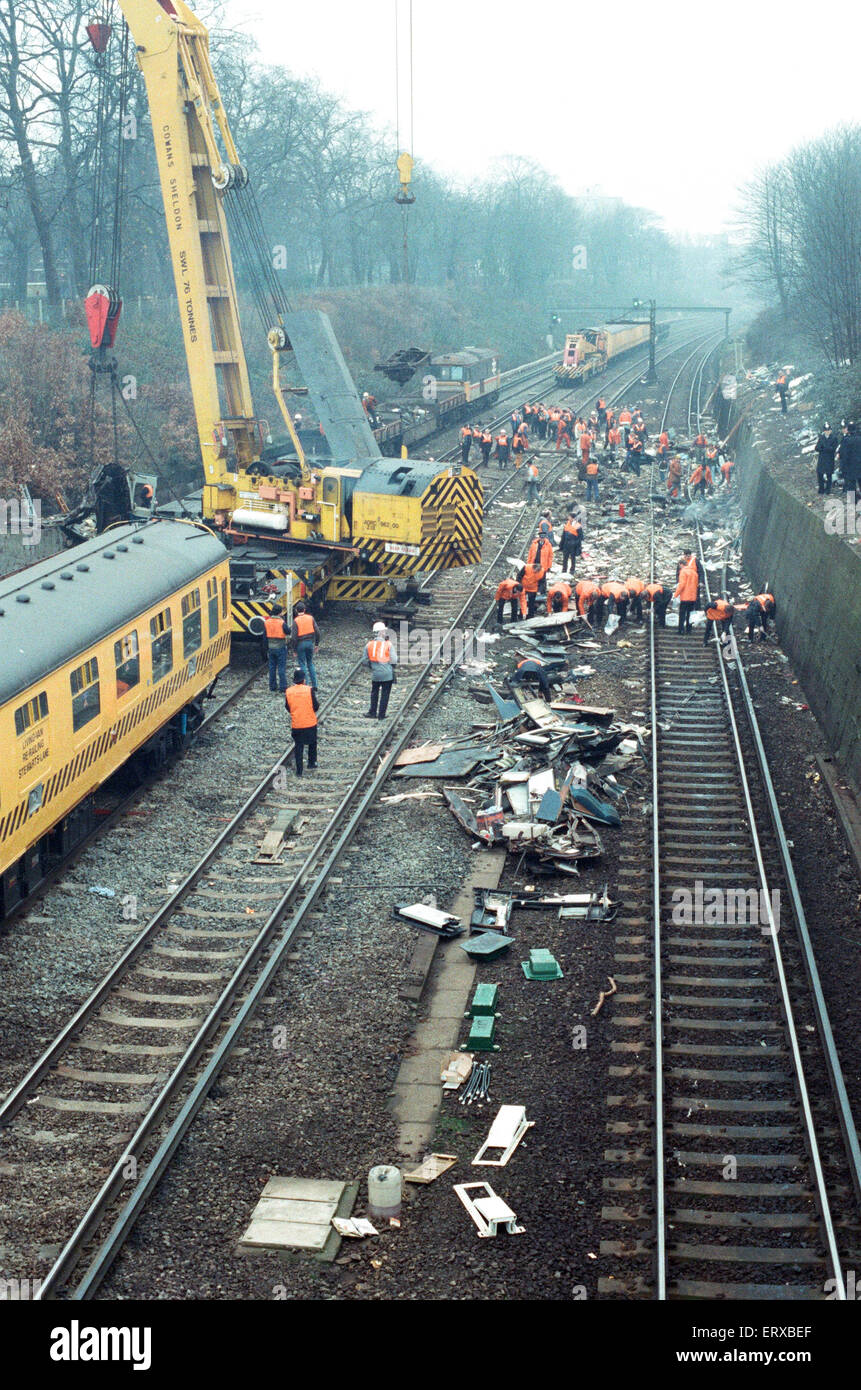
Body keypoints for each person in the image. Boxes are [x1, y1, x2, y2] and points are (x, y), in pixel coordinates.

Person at [284, 669, 319, 777]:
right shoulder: (309, 690)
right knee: (312, 743)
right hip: (310, 722)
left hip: (297, 724)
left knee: (298, 746)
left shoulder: (288, 691)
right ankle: (311, 763)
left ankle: (299, 771)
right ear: (304, 680)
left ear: (294, 680)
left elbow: (287, 707)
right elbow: (316, 706)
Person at [364, 621, 397, 718]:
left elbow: (365, 660)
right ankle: (381, 715)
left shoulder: (368, 645)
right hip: (387, 674)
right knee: (385, 694)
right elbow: (394, 659)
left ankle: (372, 712)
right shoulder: (388, 644)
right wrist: (390, 666)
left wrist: (373, 667)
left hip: (375, 674)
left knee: (374, 693)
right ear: (381, 632)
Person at [291, 601, 320, 690]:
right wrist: (316, 644)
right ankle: (315, 685)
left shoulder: (295, 621)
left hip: (300, 644)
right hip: (310, 643)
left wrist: (294, 650)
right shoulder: (310, 618)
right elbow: (317, 632)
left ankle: (305, 685)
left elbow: (294, 637)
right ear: (304, 609)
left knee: (302, 664)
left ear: (296, 610)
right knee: (310, 663)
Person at [264, 605, 289, 693]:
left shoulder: (267, 622)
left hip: (271, 648)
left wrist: (266, 648)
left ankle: (272, 686)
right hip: (281, 647)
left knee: (272, 667)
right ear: (280, 613)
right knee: (281, 668)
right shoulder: (281, 622)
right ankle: (283, 687)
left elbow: (264, 636)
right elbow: (288, 631)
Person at [673, 554, 699, 634]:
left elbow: (682, 585)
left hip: (685, 597)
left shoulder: (683, 572)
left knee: (682, 614)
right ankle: (689, 630)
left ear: (681, 564)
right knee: (690, 614)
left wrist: (676, 595)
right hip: (693, 597)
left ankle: (681, 630)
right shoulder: (694, 573)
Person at [815, 424, 838, 495]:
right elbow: (817, 448)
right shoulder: (821, 438)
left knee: (829, 474)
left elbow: (833, 448)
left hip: (829, 459)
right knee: (820, 474)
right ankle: (821, 489)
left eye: (828, 430)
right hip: (822, 458)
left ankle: (828, 490)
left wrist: (824, 448)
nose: (827, 432)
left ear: (831, 430)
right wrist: (824, 448)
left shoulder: (834, 438)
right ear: (824, 431)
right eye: (826, 430)